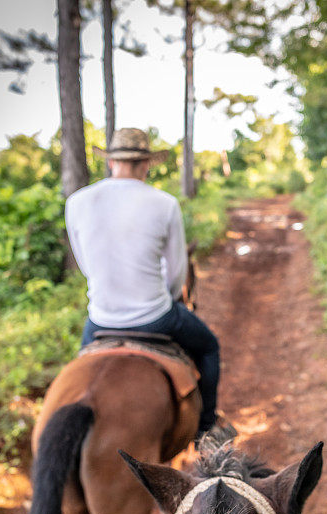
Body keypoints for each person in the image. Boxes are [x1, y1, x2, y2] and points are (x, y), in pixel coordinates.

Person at [65, 128, 220, 437]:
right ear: (147, 163)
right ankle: (206, 428)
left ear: (111, 162)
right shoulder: (165, 203)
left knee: (75, 380)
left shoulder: (77, 202)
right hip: (156, 318)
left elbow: (86, 266)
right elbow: (176, 273)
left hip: (100, 320)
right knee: (209, 348)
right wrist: (170, 297)